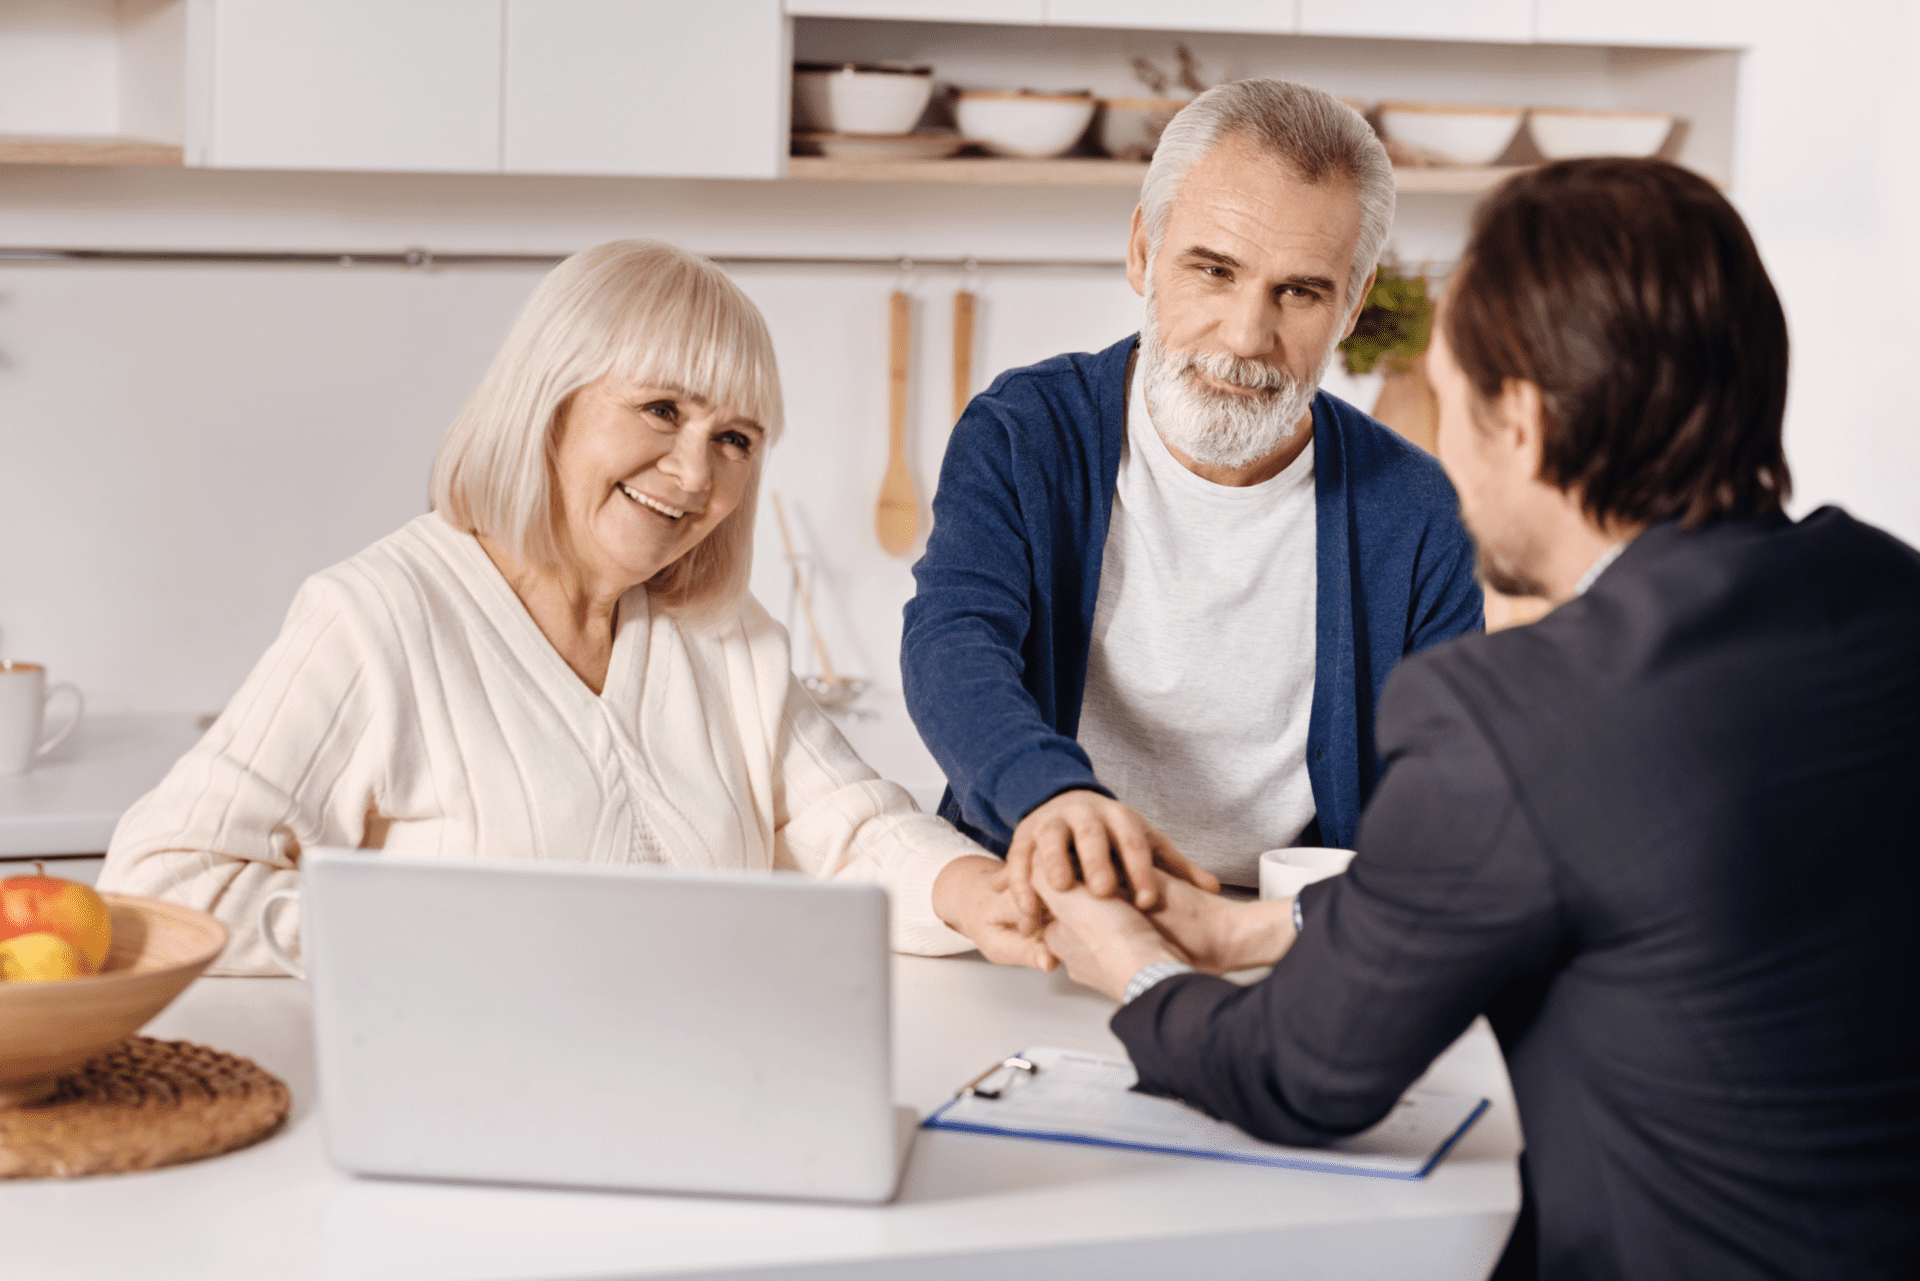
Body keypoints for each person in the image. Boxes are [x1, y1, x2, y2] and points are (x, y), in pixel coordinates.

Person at [1037, 158, 1920, 1279]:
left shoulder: (1525, 713)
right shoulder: (1892, 596)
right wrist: (1262, 929)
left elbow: (1301, 1074)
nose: (1442, 460)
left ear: (1522, 422)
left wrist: (1132, 963)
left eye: (1446, 405)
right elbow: (1651, 871)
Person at [100, 241, 1049, 975]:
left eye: (735, 438)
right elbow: (162, 883)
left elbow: (853, 830)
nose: (694, 473)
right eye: (661, 410)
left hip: (703, 1085)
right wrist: (432, 936)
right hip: (459, 1111)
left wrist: (982, 892)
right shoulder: (377, 616)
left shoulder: (725, 639)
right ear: (548, 402)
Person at [901, 79, 1482, 913]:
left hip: (1293, 943)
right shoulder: (1025, 433)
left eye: (1300, 291)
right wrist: (1053, 799)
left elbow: (1444, 791)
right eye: (1215, 270)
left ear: (1351, 306)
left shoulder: (1418, 511)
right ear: (1145, 250)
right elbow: (952, 644)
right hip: (1046, 903)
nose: (1247, 336)